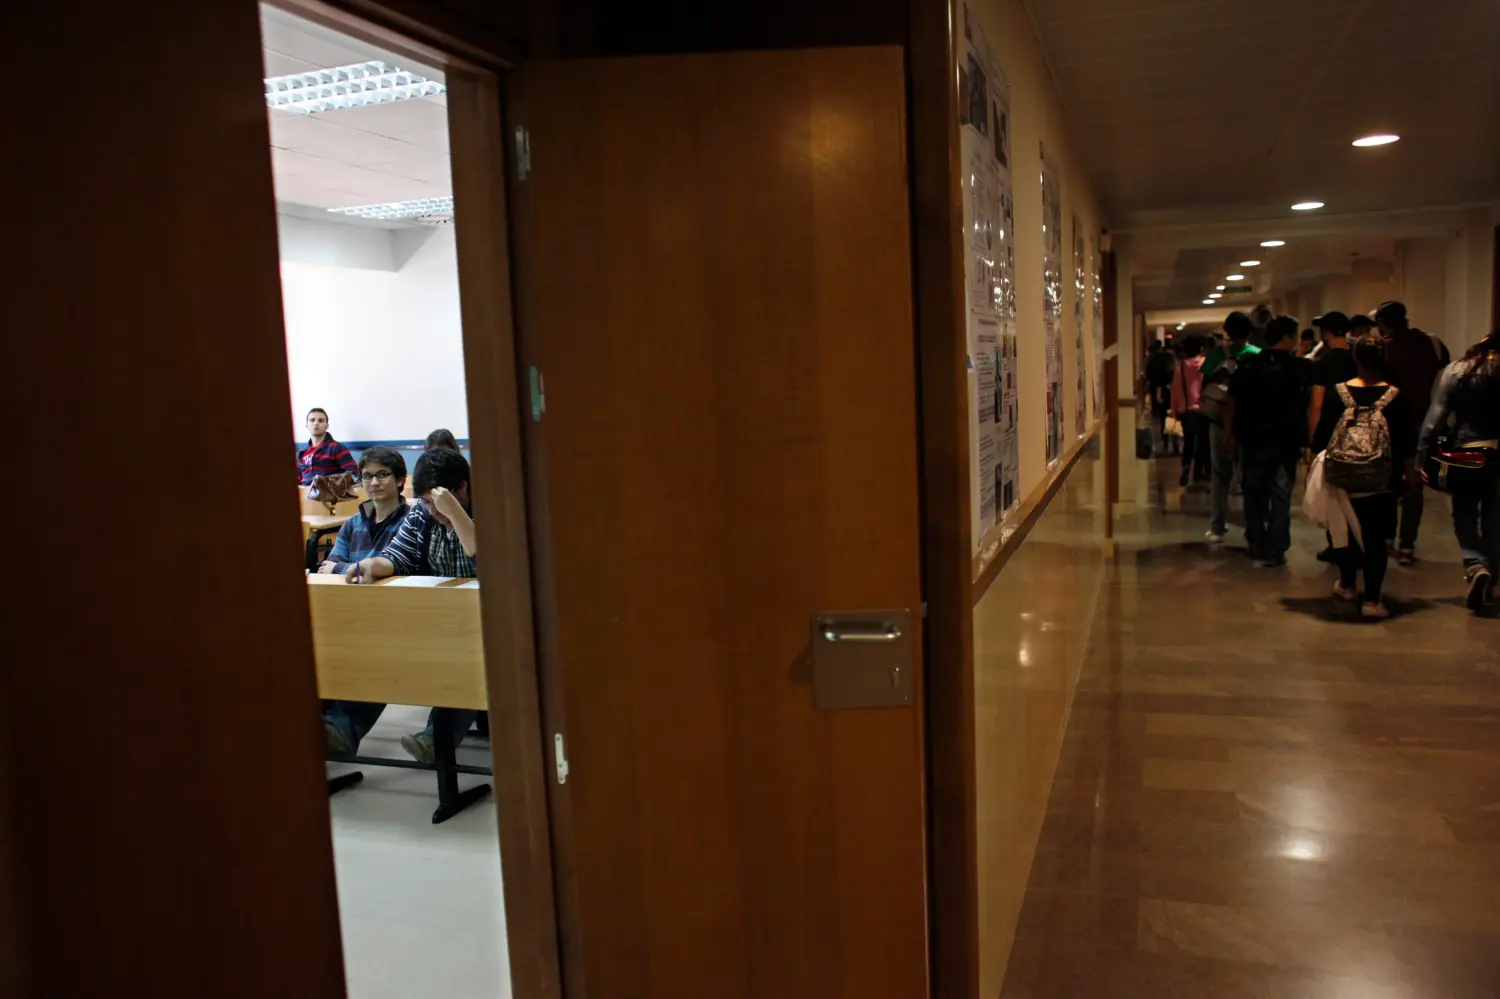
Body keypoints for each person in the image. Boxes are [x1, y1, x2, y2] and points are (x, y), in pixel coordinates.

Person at [338, 448, 480, 763]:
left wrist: (454, 512)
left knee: (471, 657)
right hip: (437, 614)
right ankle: (341, 728)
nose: (432, 512)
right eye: (427, 503)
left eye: (436, 503)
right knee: (385, 648)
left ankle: (435, 739)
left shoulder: (491, 506)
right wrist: (374, 564)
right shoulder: (420, 514)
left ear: (463, 488)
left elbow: (489, 562)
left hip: (483, 620)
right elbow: (399, 556)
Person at [1325, 335, 1415, 618]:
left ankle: (1348, 585)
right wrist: (1408, 475)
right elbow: (1407, 442)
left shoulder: (1338, 393)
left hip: (1343, 479)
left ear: (1356, 359)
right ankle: (1373, 600)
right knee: (1376, 540)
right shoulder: (1396, 396)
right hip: (1382, 480)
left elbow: (1322, 437)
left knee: (1344, 534)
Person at [1419, 330, 1500, 613]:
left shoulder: (1459, 370)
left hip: (1468, 451)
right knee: (1494, 516)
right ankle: (1490, 575)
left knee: (1464, 513)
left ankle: (1476, 564)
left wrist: (1422, 455)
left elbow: (1435, 418)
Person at [1226, 316, 1307, 566]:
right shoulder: (1298, 368)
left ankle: (1256, 541)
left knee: (1254, 493)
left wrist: (1228, 435)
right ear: (1286, 338)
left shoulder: (1248, 366)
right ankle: (1276, 547)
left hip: (1252, 441)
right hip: (1285, 443)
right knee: (1281, 495)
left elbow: (1232, 402)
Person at [1376, 300, 1449, 565]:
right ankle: (1407, 545)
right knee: (1415, 484)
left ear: (1383, 323)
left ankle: (1386, 539)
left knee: (1388, 482)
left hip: (1391, 423)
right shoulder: (1431, 344)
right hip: (1423, 422)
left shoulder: (1384, 349)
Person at [1201, 312, 1262, 543]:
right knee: (1248, 476)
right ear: (1249, 331)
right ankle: (1251, 525)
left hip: (1218, 420)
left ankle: (1218, 527)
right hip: (1248, 422)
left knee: (1220, 475)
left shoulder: (1217, 354)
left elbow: (1205, 384)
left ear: (1227, 331)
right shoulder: (1256, 355)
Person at [317, 446, 411, 575]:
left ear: (400, 480)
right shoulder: (352, 524)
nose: (374, 483)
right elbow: (327, 569)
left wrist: (340, 568)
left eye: (382, 475)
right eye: (367, 476)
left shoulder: (411, 522)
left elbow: (398, 571)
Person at [1170, 335, 1209, 486]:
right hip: (1204, 409)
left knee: (1188, 441)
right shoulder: (1206, 365)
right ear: (1200, 349)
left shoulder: (1182, 367)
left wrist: (1175, 411)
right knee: (1203, 443)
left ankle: (1186, 465)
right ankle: (1198, 472)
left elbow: (1176, 390)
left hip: (1187, 411)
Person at [297, 407, 359, 485]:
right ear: (306, 425)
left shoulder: (337, 448)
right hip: (304, 492)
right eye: (312, 420)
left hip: (328, 493)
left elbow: (353, 472)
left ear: (327, 426)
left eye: (321, 420)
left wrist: (330, 482)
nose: (316, 423)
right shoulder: (302, 453)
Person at [1145, 342, 1177, 454]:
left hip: (1162, 393)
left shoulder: (1156, 361)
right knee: (1174, 417)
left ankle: (1165, 441)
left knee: (1163, 417)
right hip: (1174, 394)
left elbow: (1155, 379)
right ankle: (1175, 443)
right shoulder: (1174, 363)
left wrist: (1157, 395)